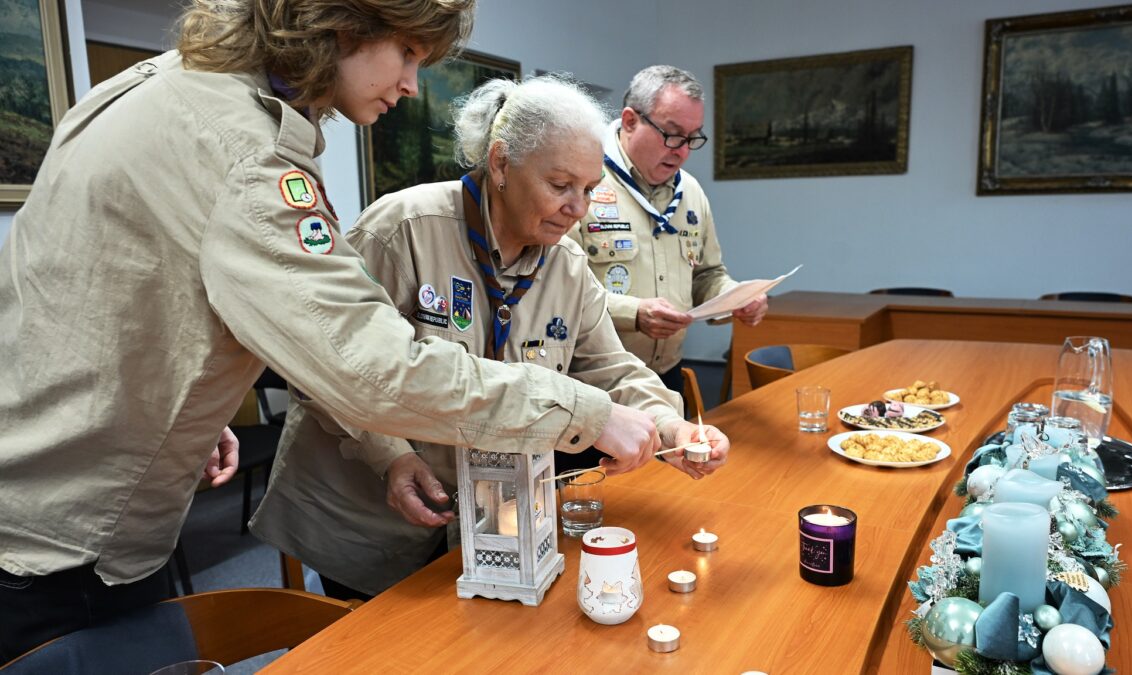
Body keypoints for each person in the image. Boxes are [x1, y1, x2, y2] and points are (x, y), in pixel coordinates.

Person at [0, 1, 659, 660]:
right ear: (343, 24)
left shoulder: (163, 84)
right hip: (61, 548)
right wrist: (583, 411)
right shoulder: (249, 157)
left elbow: (84, 290)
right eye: (406, 54)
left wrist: (179, 410)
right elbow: (372, 367)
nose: (410, 84)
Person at [250, 74, 730, 600]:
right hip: (367, 517)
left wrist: (671, 427)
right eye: (560, 185)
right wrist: (390, 457)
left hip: (490, 524)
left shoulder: (567, 263)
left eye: (590, 190)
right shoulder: (403, 228)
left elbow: (609, 368)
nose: (578, 209)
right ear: (501, 163)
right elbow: (328, 367)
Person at [567, 65, 769, 396]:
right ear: (631, 121)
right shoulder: (583, 180)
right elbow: (557, 287)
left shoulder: (690, 192)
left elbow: (707, 275)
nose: (683, 150)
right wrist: (634, 314)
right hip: (595, 381)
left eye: (693, 137)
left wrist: (736, 298)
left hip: (667, 375)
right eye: (672, 134)